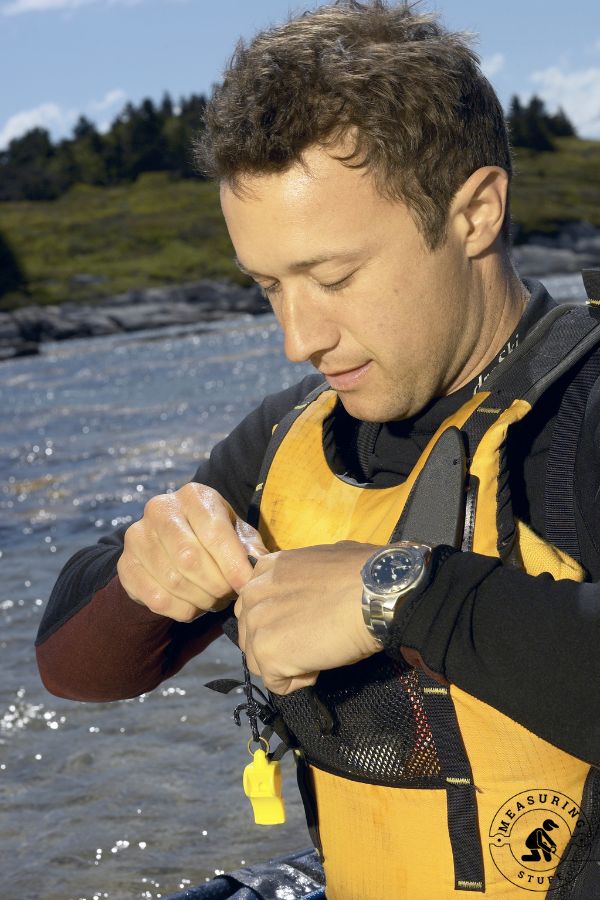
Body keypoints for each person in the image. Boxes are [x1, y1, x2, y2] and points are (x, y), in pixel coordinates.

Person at [36, 2, 600, 897]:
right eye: (268, 286)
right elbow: (73, 671)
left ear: (476, 213)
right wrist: (145, 578)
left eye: (334, 277)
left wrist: (403, 593)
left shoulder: (583, 415)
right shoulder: (285, 440)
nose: (299, 337)